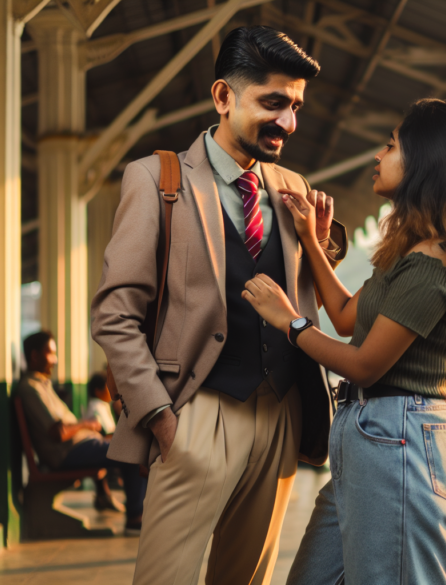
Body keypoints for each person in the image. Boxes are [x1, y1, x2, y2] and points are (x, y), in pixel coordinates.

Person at [91, 26, 349, 585]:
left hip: (281, 413)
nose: (289, 122)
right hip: (195, 413)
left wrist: (319, 245)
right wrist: (159, 416)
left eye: (296, 106)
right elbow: (115, 313)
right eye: (273, 103)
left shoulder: (293, 186)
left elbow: (302, 291)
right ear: (223, 97)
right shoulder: (155, 179)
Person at [242, 98, 446, 584]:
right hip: (371, 437)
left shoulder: (435, 263)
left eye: (391, 146)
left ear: (425, 161)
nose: (378, 155)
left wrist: (290, 323)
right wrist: (312, 241)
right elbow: (346, 317)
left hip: (399, 440)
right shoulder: (411, 254)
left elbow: (364, 364)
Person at [15, 331, 147, 532]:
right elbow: (58, 433)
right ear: (34, 356)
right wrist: (87, 424)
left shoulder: (42, 384)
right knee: (132, 451)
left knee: (133, 443)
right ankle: (135, 518)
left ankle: (125, 506)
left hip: (80, 446)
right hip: (66, 453)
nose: (55, 360)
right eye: (51, 354)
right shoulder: (31, 389)